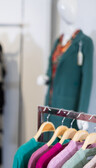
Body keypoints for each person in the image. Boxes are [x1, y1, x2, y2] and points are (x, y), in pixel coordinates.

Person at [37, 0, 93, 130]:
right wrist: (46, 77)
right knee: (48, 144)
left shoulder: (84, 42)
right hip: (50, 104)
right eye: (63, 9)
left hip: (68, 107)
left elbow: (87, 81)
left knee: (65, 146)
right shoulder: (59, 41)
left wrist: (82, 114)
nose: (67, 12)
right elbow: (52, 69)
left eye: (70, 8)